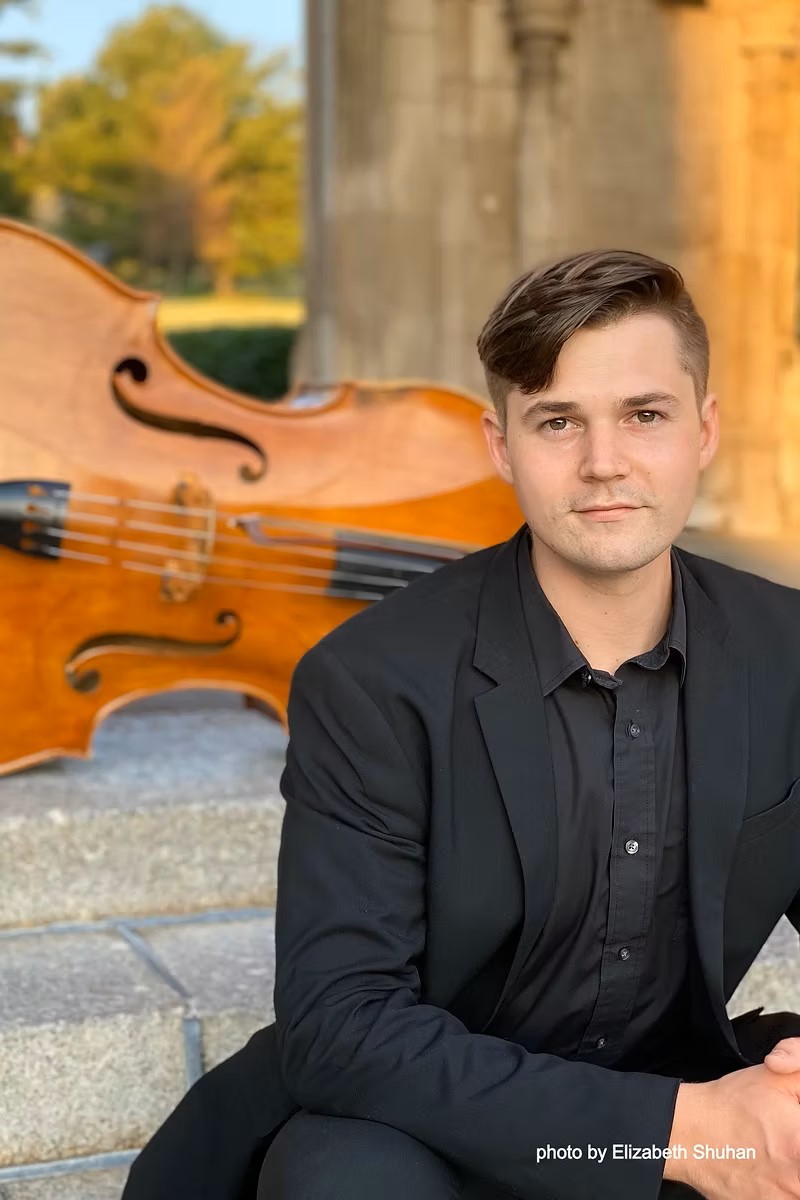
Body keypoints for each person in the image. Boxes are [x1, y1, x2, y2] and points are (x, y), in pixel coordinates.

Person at [122, 250, 800, 1200]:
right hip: (418, 1122)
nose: (604, 462)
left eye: (645, 415)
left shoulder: (786, 649)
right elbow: (342, 1024)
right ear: (501, 445)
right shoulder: (371, 679)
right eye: (557, 422)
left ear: (705, 430)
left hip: (665, 1079)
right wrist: (676, 1134)